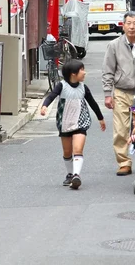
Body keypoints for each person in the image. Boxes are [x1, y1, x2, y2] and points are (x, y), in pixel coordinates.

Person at [102, 12, 135, 176]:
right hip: (122, 91)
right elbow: (108, 70)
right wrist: (107, 93)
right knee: (121, 129)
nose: (132, 27)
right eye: (129, 23)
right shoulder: (114, 45)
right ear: (123, 25)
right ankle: (124, 162)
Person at [41, 59, 106, 189]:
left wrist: (101, 118)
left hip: (80, 121)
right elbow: (51, 95)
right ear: (73, 74)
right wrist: (44, 106)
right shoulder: (62, 86)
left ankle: (76, 175)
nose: (84, 72)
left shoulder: (83, 88)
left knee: (78, 149)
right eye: (82, 70)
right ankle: (70, 174)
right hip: (64, 122)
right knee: (67, 152)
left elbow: (92, 103)